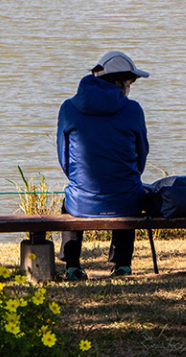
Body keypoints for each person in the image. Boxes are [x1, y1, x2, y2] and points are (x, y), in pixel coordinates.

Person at [57, 51, 150, 279]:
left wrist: (81, 181)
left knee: (69, 203)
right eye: (129, 82)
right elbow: (141, 155)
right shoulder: (133, 110)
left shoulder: (69, 108)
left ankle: (72, 267)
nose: (129, 88)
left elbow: (64, 158)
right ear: (119, 82)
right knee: (130, 192)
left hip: (82, 201)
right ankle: (122, 266)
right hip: (125, 201)